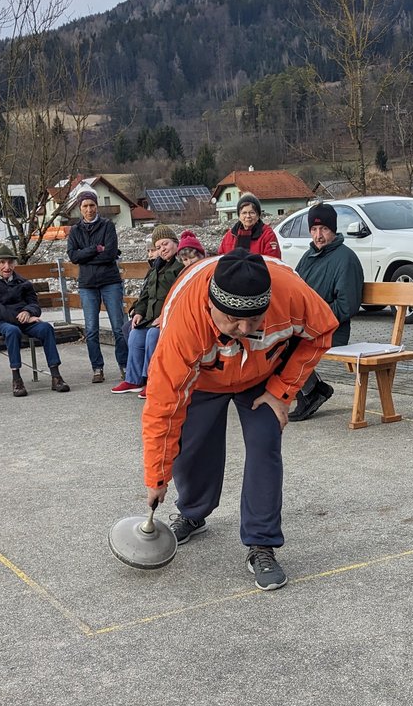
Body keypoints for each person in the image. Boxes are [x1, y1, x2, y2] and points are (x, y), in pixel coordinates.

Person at [142, 251, 337, 591]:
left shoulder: (291, 293)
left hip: (265, 377)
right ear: (211, 304)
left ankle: (262, 544)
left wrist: (282, 391)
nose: (246, 329)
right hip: (205, 378)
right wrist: (157, 475)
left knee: (265, 445)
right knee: (193, 445)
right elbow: (164, 404)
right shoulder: (183, 325)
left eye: (256, 318)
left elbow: (322, 332)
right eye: (234, 319)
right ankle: (193, 511)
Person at [289, 202, 363, 421]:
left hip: (332, 330)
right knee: (269, 337)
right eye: (314, 230)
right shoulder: (308, 256)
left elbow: (346, 306)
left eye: (324, 230)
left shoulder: (345, 258)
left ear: (333, 230)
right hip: (308, 326)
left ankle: (310, 392)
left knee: (283, 343)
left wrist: (311, 319)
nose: (318, 235)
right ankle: (310, 391)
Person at [0, 243, 71, 397]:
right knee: (12, 330)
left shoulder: (23, 282)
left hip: (24, 321)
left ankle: (56, 376)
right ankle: (17, 379)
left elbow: (34, 304)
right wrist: (20, 317)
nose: (7, 267)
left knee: (46, 328)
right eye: (2, 262)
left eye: (10, 262)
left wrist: (28, 311)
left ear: (15, 263)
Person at [113, 227, 184, 396]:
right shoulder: (156, 267)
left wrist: (165, 316)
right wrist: (138, 312)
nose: (163, 249)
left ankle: (153, 381)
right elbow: (145, 295)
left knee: (153, 335)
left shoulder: (180, 266)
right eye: (158, 247)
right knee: (135, 333)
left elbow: (181, 296)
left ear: (175, 243)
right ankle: (134, 380)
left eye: (165, 244)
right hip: (151, 317)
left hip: (171, 318)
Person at [66, 189, 127, 384]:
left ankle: (124, 365)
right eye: (85, 206)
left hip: (110, 282)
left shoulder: (107, 226)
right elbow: (73, 257)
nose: (89, 209)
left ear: (96, 206)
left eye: (92, 205)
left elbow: (110, 254)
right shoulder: (75, 231)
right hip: (87, 285)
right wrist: (94, 249)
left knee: (118, 326)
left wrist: (86, 257)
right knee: (91, 329)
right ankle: (97, 368)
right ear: (80, 208)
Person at [218, 192, 281, 258]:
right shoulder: (230, 235)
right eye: (244, 213)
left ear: (258, 215)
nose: (248, 216)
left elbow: (273, 262)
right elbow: (221, 259)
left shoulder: (267, 235)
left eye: (252, 212)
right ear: (239, 216)